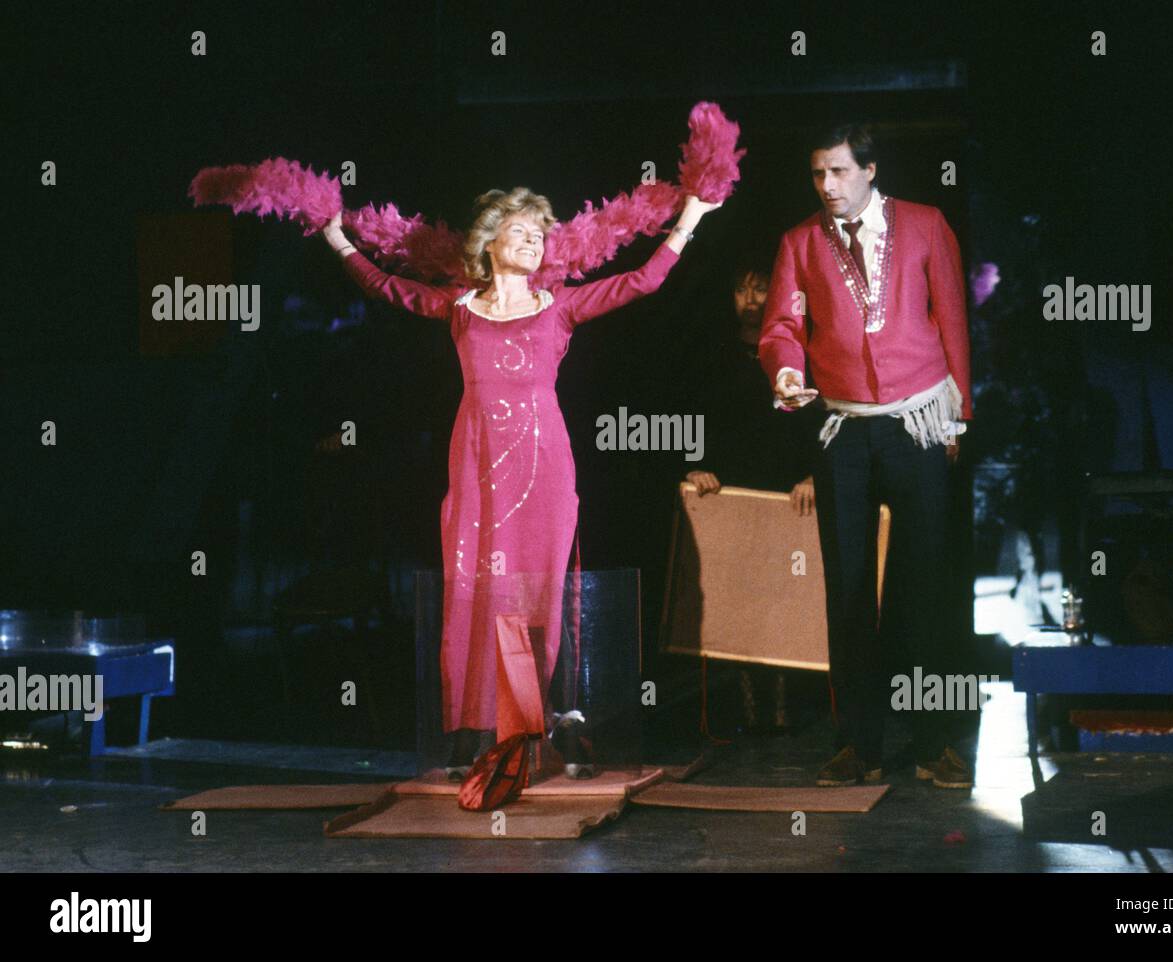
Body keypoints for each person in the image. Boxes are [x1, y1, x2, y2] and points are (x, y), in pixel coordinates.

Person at [322, 189, 720, 778]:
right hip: (477, 461)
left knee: (542, 587)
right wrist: (336, 239)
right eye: (521, 231)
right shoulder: (460, 308)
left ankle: (549, 722)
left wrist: (688, 218)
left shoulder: (557, 307)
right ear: (488, 245)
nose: (535, 240)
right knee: (476, 583)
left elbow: (641, 282)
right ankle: (476, 728)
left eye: (540, 233)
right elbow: (387, 287)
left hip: (545, 464)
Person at [758, 122, 974, 789]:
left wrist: (959, 413)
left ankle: (939, 741)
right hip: (842, 427)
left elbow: (953, 319)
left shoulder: (926, 223)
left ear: (870, 170)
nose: (827, 186)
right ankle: (860, 744)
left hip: (919, 418)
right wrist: (785, 372)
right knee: (849, 590)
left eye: (840, 172)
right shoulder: (800, 241)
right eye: (818, 174)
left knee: (927, 587)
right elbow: (783, 325)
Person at [685, 264, 821, 731]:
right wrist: (695, 464)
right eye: (740, 287)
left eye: (760, 286)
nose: (749, 297)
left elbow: (820, 422)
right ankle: (745, 713)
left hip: (786, 495)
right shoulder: (713, 354)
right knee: (736, 598)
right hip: (731, 494)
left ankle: (784, 712)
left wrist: (813, 474)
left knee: (782, 598)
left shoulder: (798, 354)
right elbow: (694, 414)